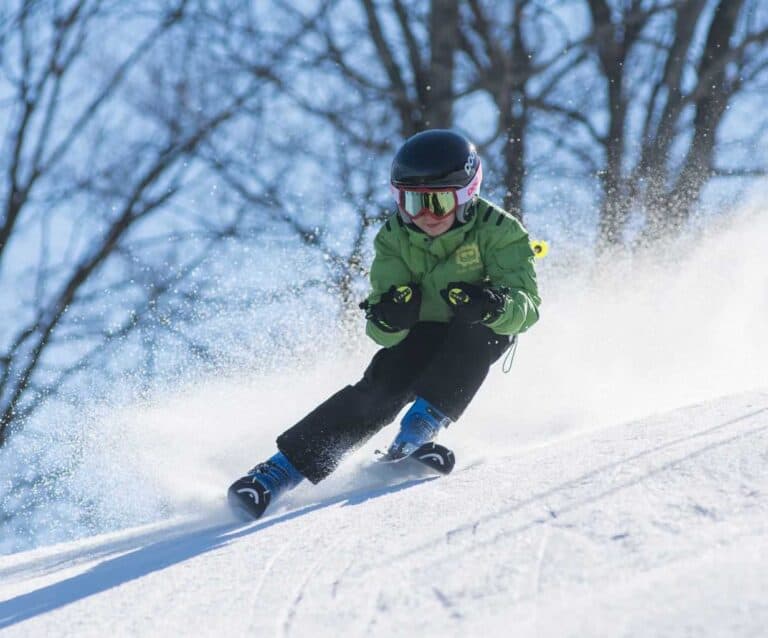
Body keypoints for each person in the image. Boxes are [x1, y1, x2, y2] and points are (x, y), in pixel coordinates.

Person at [228, 129, 541, 519]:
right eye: (411, 202)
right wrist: (390, 316)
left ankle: (416, 434)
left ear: (466, 196)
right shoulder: (394, 237)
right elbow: (380, 328)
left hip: (476, 327)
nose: (424, 215)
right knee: (383, 384)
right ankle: (277, 473)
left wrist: (494, 304)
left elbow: (527, 307)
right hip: (422, 331)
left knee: (483, 333)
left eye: (439, 202)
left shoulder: (500, 230)